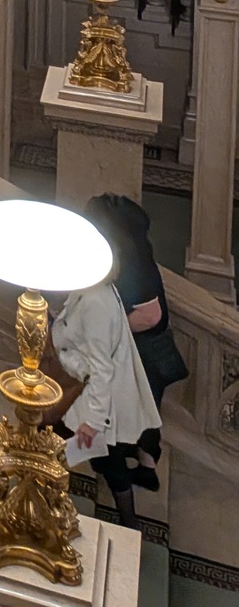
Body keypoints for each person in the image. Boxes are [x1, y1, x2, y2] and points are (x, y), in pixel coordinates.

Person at [85, 193, 188, 473]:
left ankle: (115, 463)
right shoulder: (137, 250)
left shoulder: (130, 265)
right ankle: (146, 466)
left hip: (142, 352)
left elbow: (150, 315)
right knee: (146, 410)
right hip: (146, 351)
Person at [52, 269, 162, 527]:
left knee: (109, 464)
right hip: (90, 397)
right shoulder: (93, 289)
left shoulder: (95, 303)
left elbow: (101, 370)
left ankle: (129, 524)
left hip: (97, 403)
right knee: (54, 434)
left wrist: (93, 422)